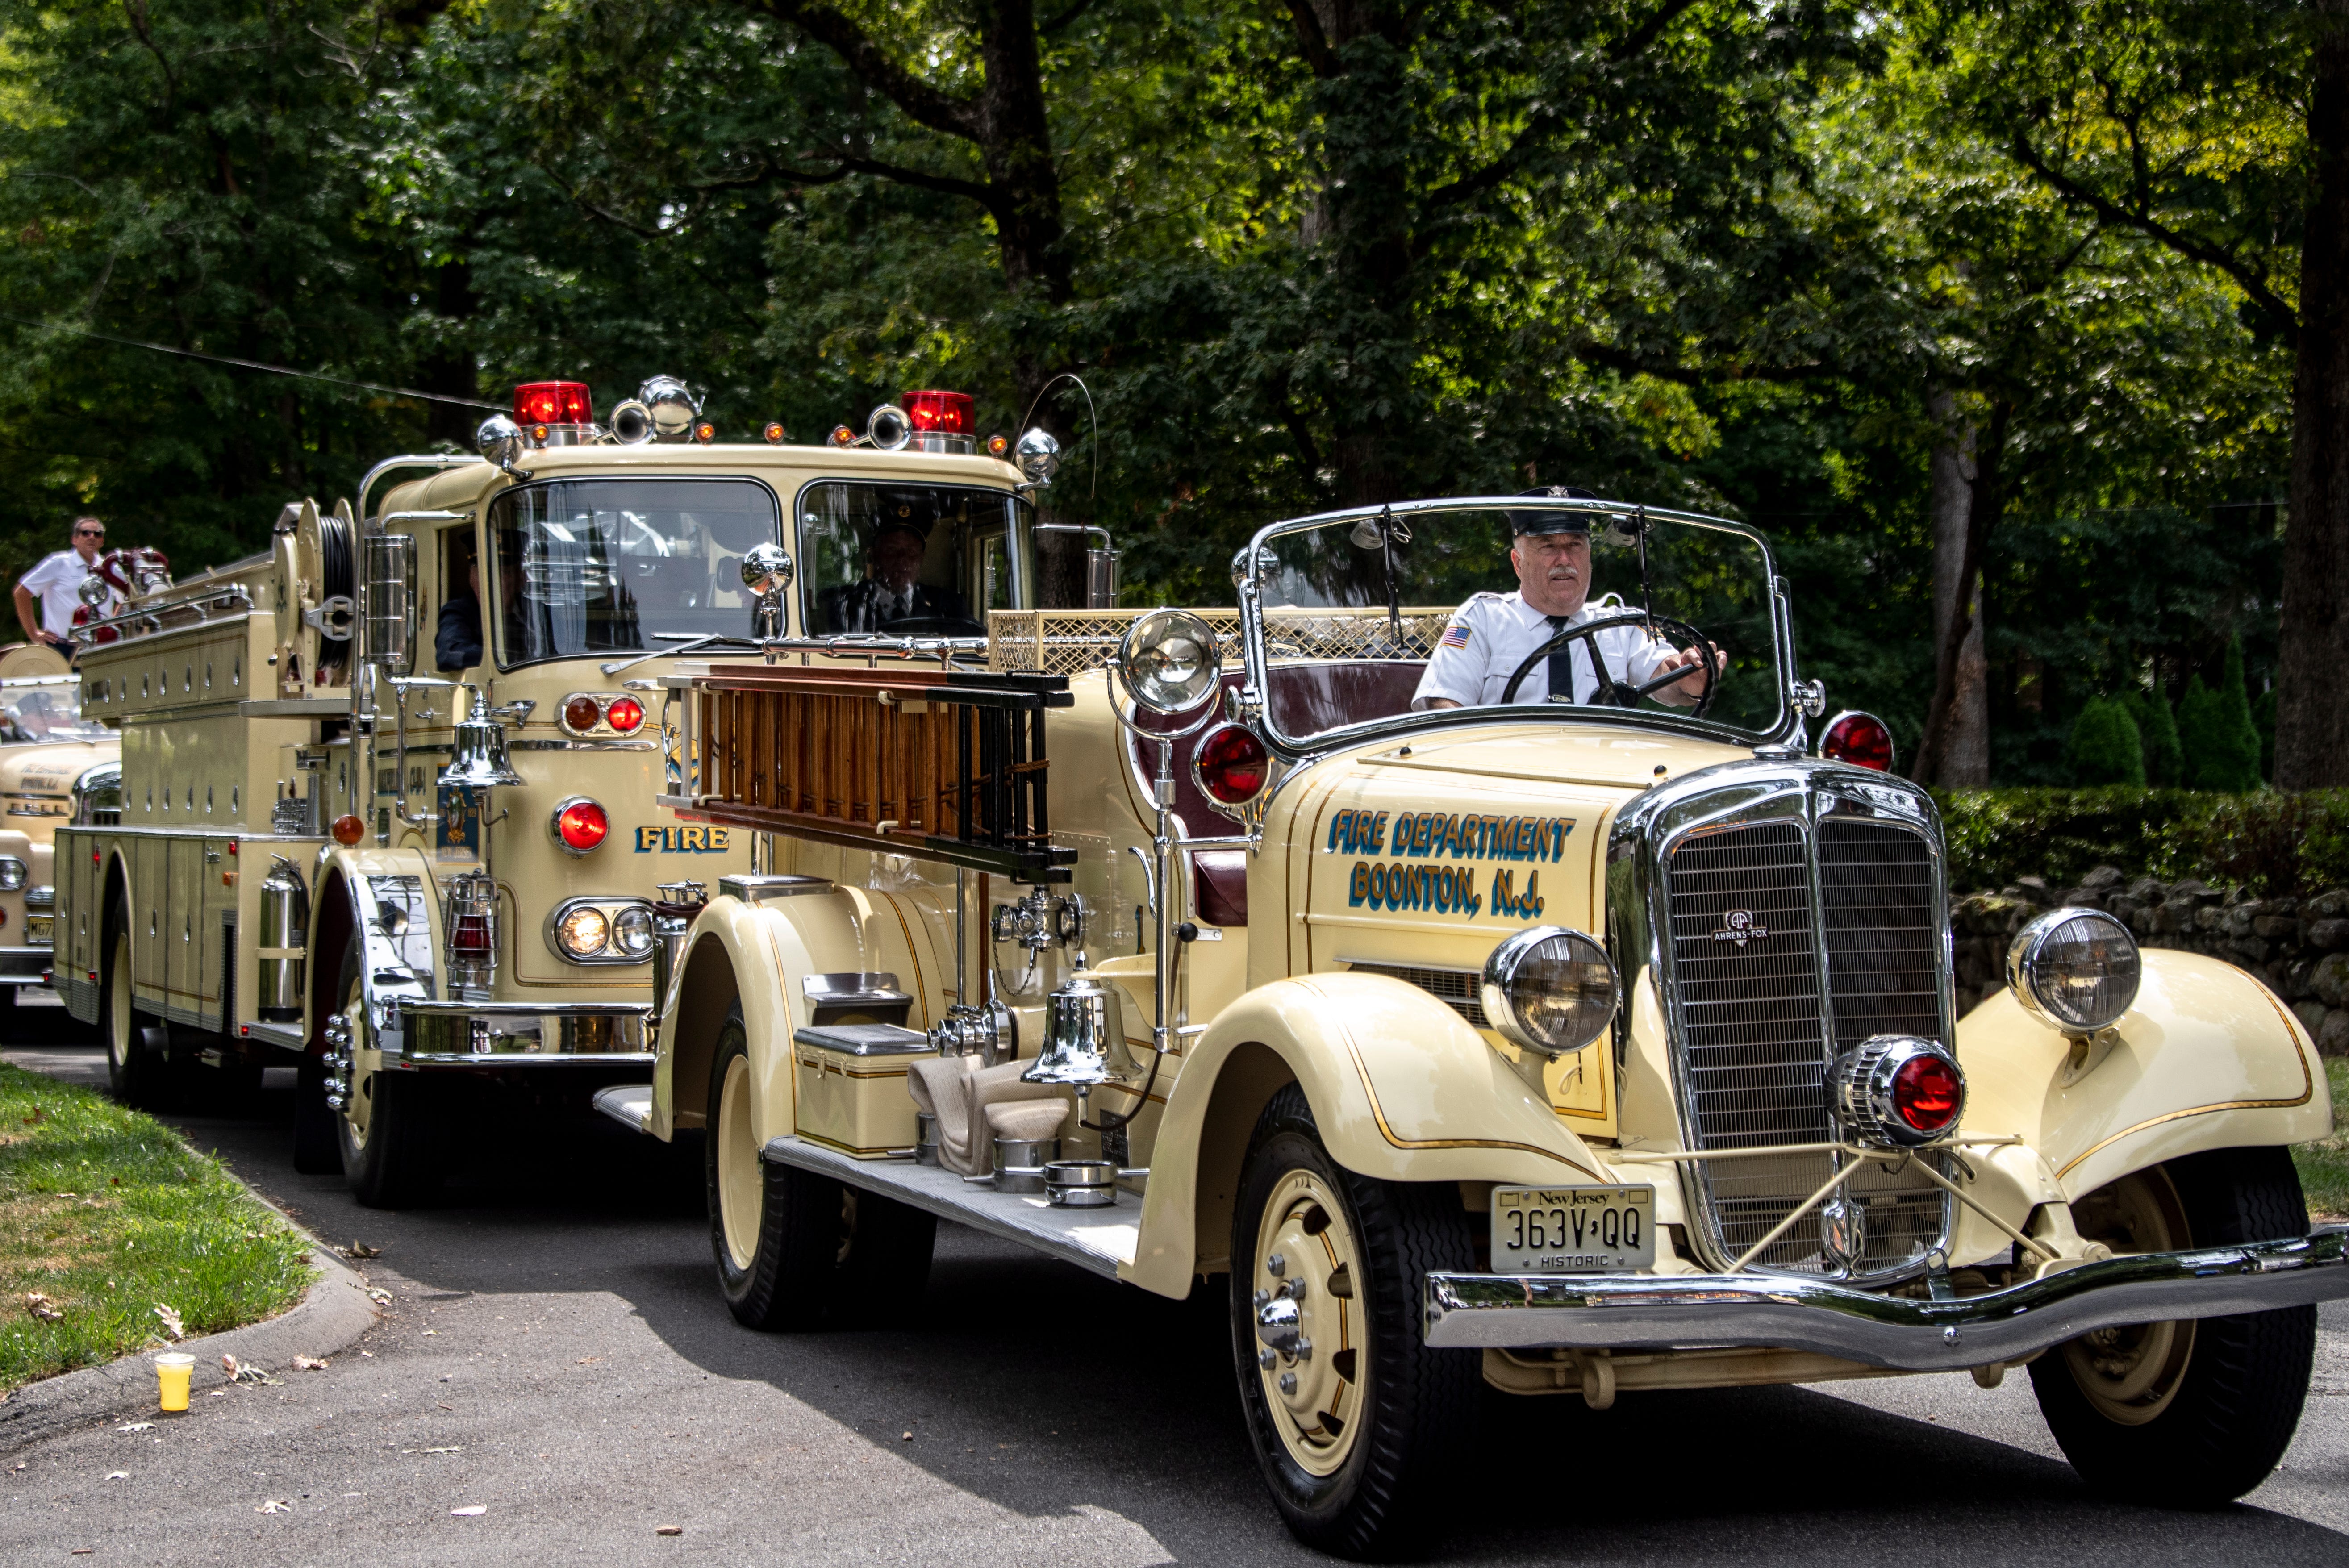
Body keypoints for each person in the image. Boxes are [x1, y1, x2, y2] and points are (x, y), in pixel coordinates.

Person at [1412, 487, 1718, 711]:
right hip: (1507, 778)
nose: (1564, 559)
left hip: (1604, 778)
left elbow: (1666, 677)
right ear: (1518, 563)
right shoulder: (1482, 618)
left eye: (1574, 545)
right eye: (1547, 547)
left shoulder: (1620, 624)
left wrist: (1689, 677)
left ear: (1589, 557)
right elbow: (1446, 703)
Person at [817, 524, 966, 633]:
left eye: (911, 552)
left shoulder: (949, 606)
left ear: (921, 559)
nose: (902, 560)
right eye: (891, 550)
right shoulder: (841, 604)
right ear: (875, 556)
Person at [13, 517, 112, 653]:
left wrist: (113, 623)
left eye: (97, 534)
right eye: (86, 533)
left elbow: (126, 597)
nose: (92, 537)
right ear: (74, 540)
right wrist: (34, 633)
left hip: (102, 648)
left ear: (102, 541)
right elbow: (21, 593)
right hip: (62, 647)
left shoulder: (112, 567)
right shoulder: (59, 563)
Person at [437, 558, 484, 672]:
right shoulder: (458, 611)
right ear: (472, 579)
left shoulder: (530, 613)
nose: (482, 584)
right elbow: (451, 653)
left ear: (519, 577)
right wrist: (504, 657)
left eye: (506, 573)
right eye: (478, 575)